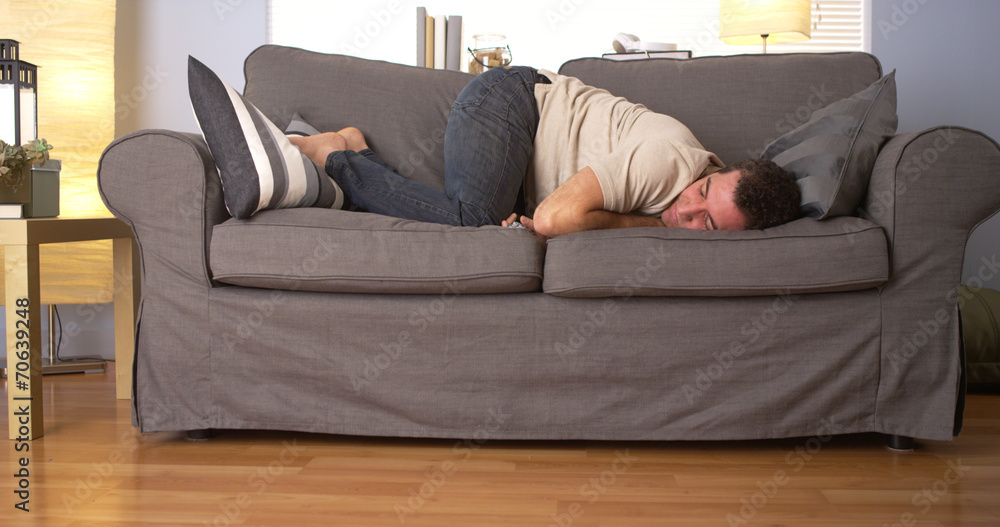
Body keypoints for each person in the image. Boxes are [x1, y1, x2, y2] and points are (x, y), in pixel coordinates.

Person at [290, 65, 800, 241]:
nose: (686, 209)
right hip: (509, 103)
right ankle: (335, 157)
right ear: (717, 168)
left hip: (523, 152)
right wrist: (659, 228)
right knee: (476, 226)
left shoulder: (695, 194)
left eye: (706, 225)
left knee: (492, 229)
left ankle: (355, 149)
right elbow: (555, 221)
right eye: (703, 193)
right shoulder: (668, 160)